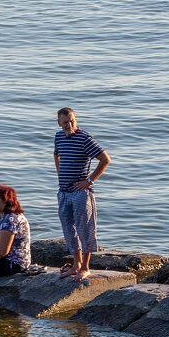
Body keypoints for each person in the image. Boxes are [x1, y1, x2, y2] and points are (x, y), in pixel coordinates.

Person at [54, 107, 111, 281]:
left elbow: (105, 159)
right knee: (69, 230)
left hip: (80, 193)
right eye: (65, 122)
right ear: (59, 123)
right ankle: (76, 265)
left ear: (76, 120)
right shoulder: (59, 137)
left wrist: (90, 181)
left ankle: (85, 267)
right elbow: (56, 155)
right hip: (63, 192)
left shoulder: (85, 138)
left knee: (85, 229)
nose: (69, 125)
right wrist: (59, 172)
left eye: (72, 121)